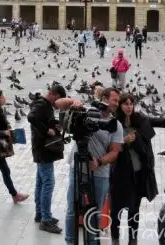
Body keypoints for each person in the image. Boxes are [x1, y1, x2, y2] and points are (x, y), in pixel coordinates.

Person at [109, 93, 165, 245]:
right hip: (119, 174)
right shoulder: (113, 122)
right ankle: (115, 239)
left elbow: (164, 122)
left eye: (131, 103)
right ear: (120, 105)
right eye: (125, 103)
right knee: (116, 209)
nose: (129, 106)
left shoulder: (141, 119)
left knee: (134, 209)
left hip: (138, 174)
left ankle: (133, 239)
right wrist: (123, 141)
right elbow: (106, 145)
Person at [64, 87, 124, 245]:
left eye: (118, 101)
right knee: (72, 208)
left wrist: (100, 161)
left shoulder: (114, 124)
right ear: (104, 98)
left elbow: (115, 151)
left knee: (95, 212)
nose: (117, 104)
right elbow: (58, 103)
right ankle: (70, 242)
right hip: (77, 169)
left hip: (100, 173)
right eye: (115, 100)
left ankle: (92, 242)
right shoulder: (85, 112)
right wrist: (73, 102)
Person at [27, 84, 82, 234]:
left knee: (41, 182)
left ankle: (40, 213)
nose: (57, 103)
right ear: (52, 94)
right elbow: (30, 117)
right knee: (48, 183)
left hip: (41, 148)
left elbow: (41, 119)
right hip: (43, 149)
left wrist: (54, 126)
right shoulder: (42, 104)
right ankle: (45, 219)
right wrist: (48, 130)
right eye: (57, 99)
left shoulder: (43, 104)